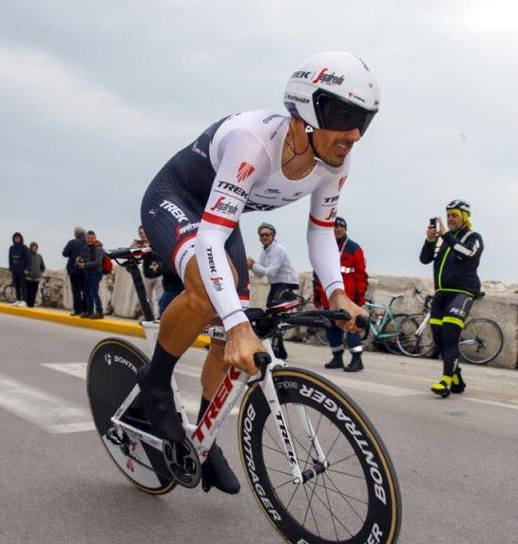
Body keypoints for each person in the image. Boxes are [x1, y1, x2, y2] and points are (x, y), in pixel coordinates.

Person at [138, 51, 376, 494]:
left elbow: (322, 231)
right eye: (345, 116)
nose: (355, 134)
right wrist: (235, 320)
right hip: (177, 201)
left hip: (220, 220)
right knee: (215, 300)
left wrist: (338, 294)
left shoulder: (335, 163)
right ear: (307, 109)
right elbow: (209, 238)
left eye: (365, 120)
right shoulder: (253, 141)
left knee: (233, 334)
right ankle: (155, 382)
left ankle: (203, 442)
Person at [420, 200, 484, 398]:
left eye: (454, 215)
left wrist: (446, 235)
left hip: (462, 293)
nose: (450, 219)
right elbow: (424, 259)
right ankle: (457, 379)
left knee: (449, 336)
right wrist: (430, 240)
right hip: (442, 293)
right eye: (448, 216)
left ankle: (446, 380)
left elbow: (466, 253)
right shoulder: (443, 239)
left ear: (464, 217)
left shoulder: (474, 237)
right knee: (439, 339)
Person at [314, 216, 368, 372]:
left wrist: (359, 298)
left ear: (345, 229)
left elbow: (361, 274)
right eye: (335, 226)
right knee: (331, 328)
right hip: (328, 298)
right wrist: (317, 294)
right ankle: (337, 357)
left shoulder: (353, 248)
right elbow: (318, 273)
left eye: (341, 226)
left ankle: (357, 360)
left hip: (348, 298)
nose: (338, 229)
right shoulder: (325, 248)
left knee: (351, 327)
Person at [246, 222, 299, 359]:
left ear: (273, 235)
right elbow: (259, 274)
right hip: (276, 284)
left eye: (267, 234)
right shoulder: (265, 251)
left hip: (286, 283)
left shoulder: (278, 249)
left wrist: (254, 265)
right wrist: (252, 267)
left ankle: (277, 350)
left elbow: (272, 272)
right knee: (272, 316)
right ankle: (279, 350)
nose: (264, 237)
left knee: (275, 316)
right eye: (261, 235)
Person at [62, 227, 88, 316]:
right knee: (85, 291)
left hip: (74, 270)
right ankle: (85, 310)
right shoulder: (87, 243)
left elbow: (64, 253)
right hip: (85, 270)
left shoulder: (72, 242)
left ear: (76, 234)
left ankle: (77, 310)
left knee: (76, 291)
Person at [79, 230, 104, 318]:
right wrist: (79, 261)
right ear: (86, 239)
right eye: (88, 238)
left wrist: (85, 264)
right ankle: (89, 312)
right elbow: (82, 257)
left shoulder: (98, 248)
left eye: (92, 238)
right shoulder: (86, 247)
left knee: (94, 293)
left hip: (96, 273)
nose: (90, 240)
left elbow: (98, 262)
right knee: (87, 293)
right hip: (88, 273)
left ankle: (100, 312)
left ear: (95, 238)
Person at [8, 232, 31, 307]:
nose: (17, 239)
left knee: (23, 286)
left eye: (18, 238)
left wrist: (27, 268)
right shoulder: (11, 248)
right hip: (15, 269)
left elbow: (28, 258)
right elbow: (10, 259)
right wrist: (10, 268)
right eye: (15, 238)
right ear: (13, 239)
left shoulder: (24, 247)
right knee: (16, 285)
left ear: (21, 238)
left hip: (22, 269)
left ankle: (24, 301)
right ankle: (18, 300)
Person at [26, 241, 46, 308]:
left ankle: (31, 306)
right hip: (28, 278)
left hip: (37, 279)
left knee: (34, 293)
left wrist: (40, 273)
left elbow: (43, 267)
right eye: (33, 247)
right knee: (29, 293)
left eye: (35, 247)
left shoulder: (39, 256)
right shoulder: (27, 255)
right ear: (30, 248)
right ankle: (28, 305)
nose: (34, 248)